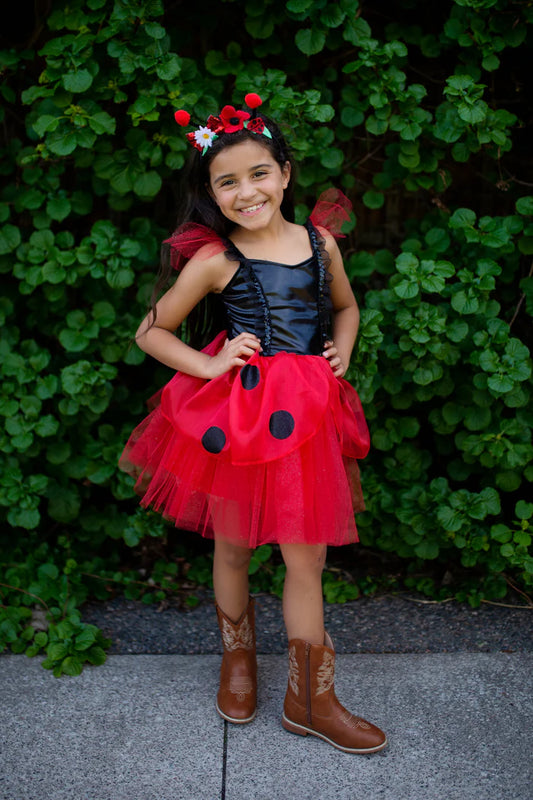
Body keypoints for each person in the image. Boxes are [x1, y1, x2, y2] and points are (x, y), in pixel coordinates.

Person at [119, 93, 387, 754]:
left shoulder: (319, 243)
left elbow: (346, 308)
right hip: (239, 419)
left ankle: (310, 698)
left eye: (258, 174)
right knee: (233, 545)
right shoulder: (217, 259)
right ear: (211, 192)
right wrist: (207, 370)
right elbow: (151, 332)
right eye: (227, 181)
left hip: (307, 421)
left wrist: (343, 347)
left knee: (307, 557)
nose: (246, 191)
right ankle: (237, 660)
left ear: (286, 174)